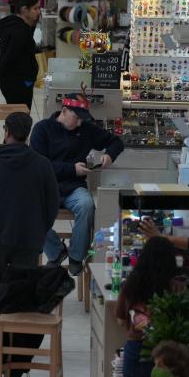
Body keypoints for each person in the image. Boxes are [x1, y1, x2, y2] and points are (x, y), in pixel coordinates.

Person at [0, 113, 59, 308]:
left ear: (7, 132)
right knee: (22, 287)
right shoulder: (42, 165)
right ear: (27, 134)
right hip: (29, 238)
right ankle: (14, 336)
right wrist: (41, 231)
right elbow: (52, 204)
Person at [31, 93, 124, 275]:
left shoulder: (86, 129)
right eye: (76, 118)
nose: (80, 123)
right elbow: (39, 165)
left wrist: (109, 155)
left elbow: (116, 141)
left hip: (74, 187)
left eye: (83, 119)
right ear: (64, 111)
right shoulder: (42, 129)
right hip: (47, 186)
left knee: (87, 205)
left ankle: (76, 256)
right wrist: (71, 169)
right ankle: (56, 251)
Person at [115, 237, 179, 377]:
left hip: (135, 351)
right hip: (166, 355)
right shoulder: (176, 287)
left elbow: (120, 319)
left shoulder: (131, 285)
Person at [0, 0, 42, 108]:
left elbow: (7, 51)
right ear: (24, 10)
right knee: (20, 118)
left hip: (14, 80)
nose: (39, 11)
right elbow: (10, 55)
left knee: (15, 116)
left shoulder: (13, 23)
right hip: (19, 82)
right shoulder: (20, 31)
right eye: (35, 8)